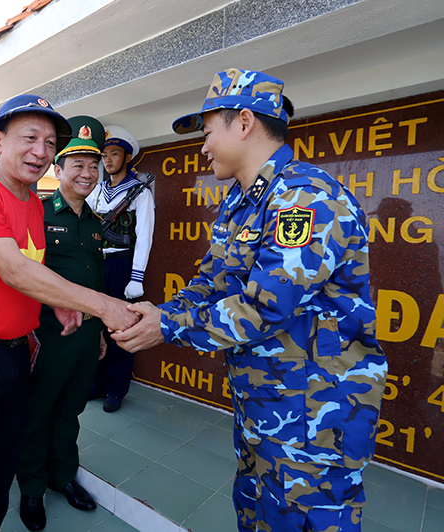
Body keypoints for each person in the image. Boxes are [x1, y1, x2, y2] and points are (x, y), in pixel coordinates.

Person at [113, 68, 387, 532]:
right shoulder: (243, 202)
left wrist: (168, 328)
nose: (202, 146)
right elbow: (213, 280)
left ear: (243, 123)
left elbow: (265, 307)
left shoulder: (304, 197)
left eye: (206, 131)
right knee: (257, 510)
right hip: (264, 400)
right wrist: (163, 312)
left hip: (314, 415)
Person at [0, 94, 138, 532]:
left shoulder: (28, 200)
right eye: (30, 138)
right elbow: (13, 267)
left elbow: (36, 265)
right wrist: (104, 306)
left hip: (14, 348)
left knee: (3, 454)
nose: (41, 151)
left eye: (48, 141)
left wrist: (59, 301)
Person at [16, 115, 107, 531]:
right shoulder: (37, 211)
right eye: (77, 165)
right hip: (48, 335)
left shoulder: (94, 223)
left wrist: (101, 330)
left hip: (87, 335)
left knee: (70, 409)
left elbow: (96, 281)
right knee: (38, 412)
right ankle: (32, 488)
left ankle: (63, 475)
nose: (86, 173)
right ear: (58, 169)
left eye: (94, 165)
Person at [86, 125, 155, 412]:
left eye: (114, 154)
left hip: (123, 265)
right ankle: (97, 382)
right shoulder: (98, 191)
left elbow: (145, 236)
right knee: (95, 325)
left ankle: (117, 388)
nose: (107, 160)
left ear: (127, 157)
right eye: (104, 155)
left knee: (122, 328)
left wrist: (136, 276)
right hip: (98, 263)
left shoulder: (140, 192)